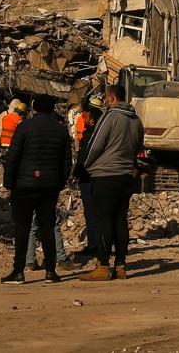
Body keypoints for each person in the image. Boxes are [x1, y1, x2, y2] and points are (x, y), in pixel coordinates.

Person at [0, 96, 71, 285]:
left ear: (34, 108)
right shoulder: (60, 129)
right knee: (47, 227)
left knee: (22, 227)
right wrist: (60, 182)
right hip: (50, 186)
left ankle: (18, 271)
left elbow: (12, 158)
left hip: (24, 184)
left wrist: (9, 184)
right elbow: (67, 160)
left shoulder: (24, 127)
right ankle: (50, 271)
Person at [80, 84, 144, 281]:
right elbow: (138, 148)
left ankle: (103, 265)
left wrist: (85, 165)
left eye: (107, 98)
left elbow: (95, 144)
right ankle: (121, 265)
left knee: (104, 220)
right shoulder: (136, 121)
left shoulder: (110, 116)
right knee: (120, 220)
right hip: (125, 175)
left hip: (105, 175)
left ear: (111, 98)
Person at [71, 94, 104, 263]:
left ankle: (95, 245)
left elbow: (84, 158)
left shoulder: (91, 135)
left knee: (91, 213)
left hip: (89, 178)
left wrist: (75, 174)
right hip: (99, 177)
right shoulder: (102, 133)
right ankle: (100, 244)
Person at [0, 98, 25, 164]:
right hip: (11, 143)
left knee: (4, 159)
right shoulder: (19, 120)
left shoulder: (4, 116)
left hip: (3, 142)